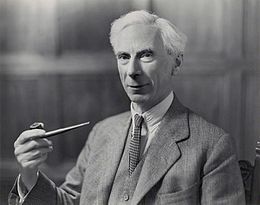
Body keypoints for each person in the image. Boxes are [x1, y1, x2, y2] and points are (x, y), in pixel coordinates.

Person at [9, 10, 245, 205]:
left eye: (146, 55)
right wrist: (29, 174)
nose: (132, 70)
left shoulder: (213, 145)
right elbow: (69, 201)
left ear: (176, 62)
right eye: (123, 56)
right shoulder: (102, 132)